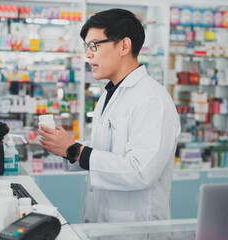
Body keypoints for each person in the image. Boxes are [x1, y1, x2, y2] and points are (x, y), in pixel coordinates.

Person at [39, 8, 180, 223]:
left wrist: (75, 150)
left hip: (137, 228)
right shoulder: (109, 93)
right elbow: (105, 150)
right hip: (103, 222)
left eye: (94, 45)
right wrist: (65, 147)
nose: (87, 54)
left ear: (124, 46)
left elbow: (141, 171)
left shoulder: (152, 98)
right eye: (86, 47)